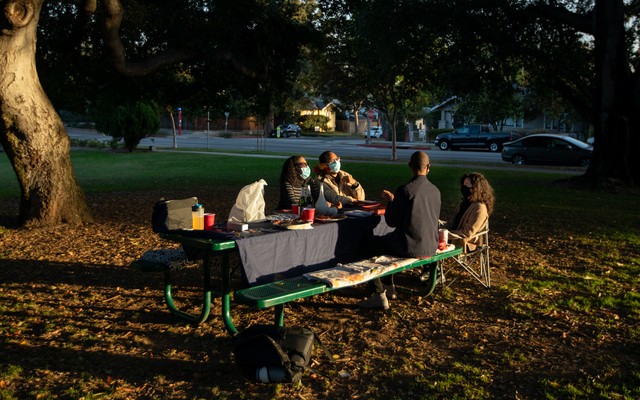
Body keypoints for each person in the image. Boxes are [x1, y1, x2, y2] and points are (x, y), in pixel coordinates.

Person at [357, 151, 441, 309]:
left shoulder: (405, 190)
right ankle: (389, 287)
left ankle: (378, 294)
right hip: (431, 245)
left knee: (368, 245)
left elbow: (391, 221)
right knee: (386, 241)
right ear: (428, 167)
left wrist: (390, 203)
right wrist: (396, 203)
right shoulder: (435, 191)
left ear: (410, 166)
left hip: (408, 246)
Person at [443, 172, 495, 252]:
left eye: (466, 185)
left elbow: (467, 233)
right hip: (453, 236)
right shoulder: (463, 203)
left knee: (430, 241)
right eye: (463, 185)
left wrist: (444, 235)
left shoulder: (479, 208)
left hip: (465, 243)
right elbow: (451, 223)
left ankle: (432, 263)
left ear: (475, 188)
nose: (463, 188)